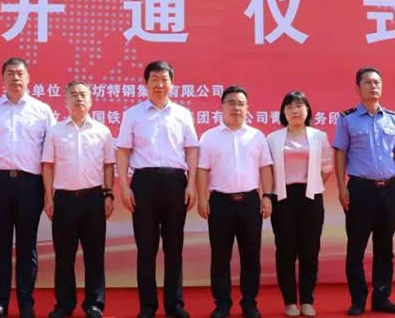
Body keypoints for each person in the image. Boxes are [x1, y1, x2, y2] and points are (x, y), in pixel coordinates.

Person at [0, 57, 56, 318]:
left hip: (30, 184)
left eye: (20, 73)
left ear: (28, 78)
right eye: (10, 73)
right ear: (3, 78)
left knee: (26, 245)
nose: (16, 78)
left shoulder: (42, 110)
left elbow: (50, 151)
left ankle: (26, 303)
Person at [116, 61, 198, 318]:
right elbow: (123, 151)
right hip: (144, 183)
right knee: (146, 247)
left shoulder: (182, 114)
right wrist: (124, 187)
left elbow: (191, 150)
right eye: (154, 79)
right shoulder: (133, 114)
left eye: (164, 79)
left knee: (174, 247)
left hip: (176, 182)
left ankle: (175, 305)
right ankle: (147, 306)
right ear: (146, 83)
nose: (160, 84)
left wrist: (191, 184)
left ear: (172, 83)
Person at [197, 85, 273, 318]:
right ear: (222, 107)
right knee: (220, 256)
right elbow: (202, 170)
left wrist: (267, 196)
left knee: (251, 256)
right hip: (220, 202)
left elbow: (265, 168)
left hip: (250, 201)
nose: (236, 108)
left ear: (247, 108)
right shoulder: (209, 137)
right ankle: (222, 304)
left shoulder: (257, 136)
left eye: (241, 103)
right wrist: (202, 199)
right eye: (231, 103)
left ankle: (249, 303)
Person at [41, 81, 115, 318]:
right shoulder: (55, 131)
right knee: (64, 256)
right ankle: (64, 305)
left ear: (91, 100)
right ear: (65, 101)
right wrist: (49, 196)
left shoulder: (102, 131)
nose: (79, 98)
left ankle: (94, 304)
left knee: (94, 255)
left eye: (83, 94)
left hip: (93, 198)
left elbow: (108, 165)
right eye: (73, 94)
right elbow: (47, 165)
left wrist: (108, 194)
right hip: (64, 199)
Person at [333, 67, 395, 316]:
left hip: (389, 190)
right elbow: (340, 154)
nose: (373, 86)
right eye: (368, 82)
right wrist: (341, 188)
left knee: (385, 247)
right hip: (360, 190)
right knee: (356, 247)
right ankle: (358, 300)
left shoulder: (392, 119)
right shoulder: (347, 119)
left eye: (377, 82)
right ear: (357, 88)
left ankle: (381, 297)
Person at [267, 91, 333, 317]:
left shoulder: (319, 136)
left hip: (310, 196)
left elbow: (327, 167)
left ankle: (306, 300)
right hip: (282, 198)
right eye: (289, 107)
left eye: (299, 106)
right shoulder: (273, 138)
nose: (294, 110)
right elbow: (267, 170)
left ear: (307, 110)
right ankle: (289, 302)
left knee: (309, 251)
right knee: (285, 250)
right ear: (283, 112)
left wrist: (313, 184)